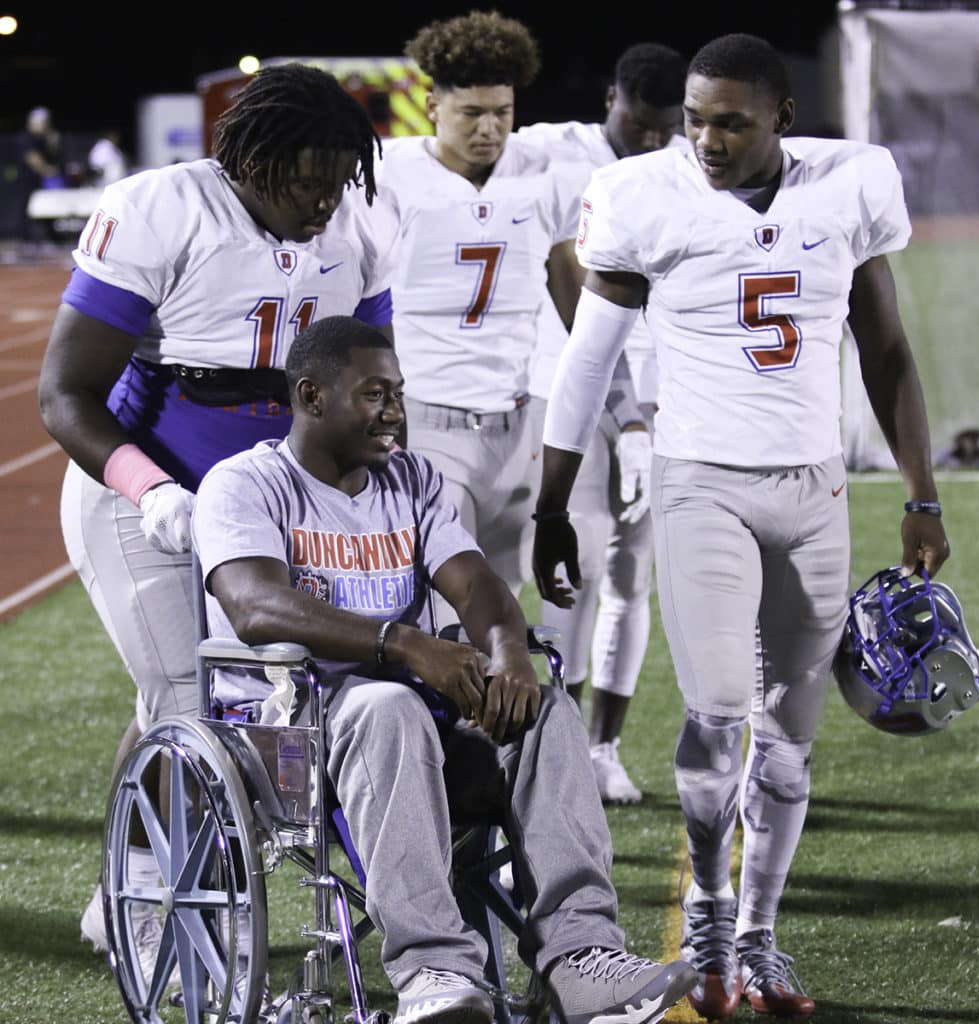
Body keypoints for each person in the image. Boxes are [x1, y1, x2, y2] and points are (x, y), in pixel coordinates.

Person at [532, 33, 949, 1021]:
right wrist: (553, 502)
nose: (707, 139)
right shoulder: (646, 194)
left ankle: (760, 935)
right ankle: (713, 921)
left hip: (811, 491)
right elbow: (585, 360)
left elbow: (884, 349)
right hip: (700, 483)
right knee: (719, 712)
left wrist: (921, 493)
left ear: (780, 121)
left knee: (791, 741)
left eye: (731, 121)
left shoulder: (846, 185)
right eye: (693, 119)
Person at [190, 314, 699, 1024]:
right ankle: (434, 971)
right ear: (311, 398)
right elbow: (254, 606)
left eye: (397, 392)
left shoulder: (411, 479)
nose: (395, 410)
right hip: (288, 739)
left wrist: (510, 652)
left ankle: (579, 957)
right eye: (374, 394)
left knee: (541, 708)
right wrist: (402, 643)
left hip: (408, 726)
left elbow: (474, 583)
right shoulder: (244, 484)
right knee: (384, 706)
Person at [36, 62, 397, 969]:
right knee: (189, 697)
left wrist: (379, 493)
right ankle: (153, 900)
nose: (323, 199)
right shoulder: (162, 208)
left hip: (272, 501)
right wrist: (149, 490)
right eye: (304, 177)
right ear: (250, 160)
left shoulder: (362, 220)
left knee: (256, 694)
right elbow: (66, 392)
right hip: (144, 486)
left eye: (335, 177)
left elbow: (377, 388)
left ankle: (118, 885)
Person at [371, 9, 589, 630]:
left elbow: (574, 303)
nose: (490, 128)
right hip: (430, 421)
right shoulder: (390, 176)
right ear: (433, 104)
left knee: (505, 614)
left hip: (517, 422)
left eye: (502, 111)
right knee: (448, 614)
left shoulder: (545, 175)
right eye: (472, 113)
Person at [519, 42, 686, 805]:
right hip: (579, 400)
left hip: (665, 395)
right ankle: (554, 745)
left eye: (664, 127)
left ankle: (604, 747)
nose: (650, 139)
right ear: (611, 97)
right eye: (639, 121)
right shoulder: (559, 156)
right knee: (573, 577)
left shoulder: (692, 162)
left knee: (631, 580)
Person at [15, 106, 65, 243]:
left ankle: (50, 237)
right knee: (27, 211)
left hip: (43, 182)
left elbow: (54, 154)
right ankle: (27, 240)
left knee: (48, 210)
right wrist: (48, 171)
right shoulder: (26, 137)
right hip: (28, 181)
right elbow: (33, 159)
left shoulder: (44, 139)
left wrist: (53, 141)